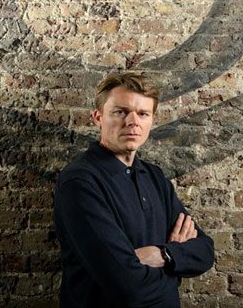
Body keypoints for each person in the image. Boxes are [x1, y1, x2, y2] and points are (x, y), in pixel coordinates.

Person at [54, 72, 215, 307]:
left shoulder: (154, 177)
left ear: (152, 120)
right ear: (98, 117)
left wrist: (164, 254)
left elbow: (205, 251)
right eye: (120, 112)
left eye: (143, 113)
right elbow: (129, 288)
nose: (133, 122)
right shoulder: (80, 182)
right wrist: (175, 270)